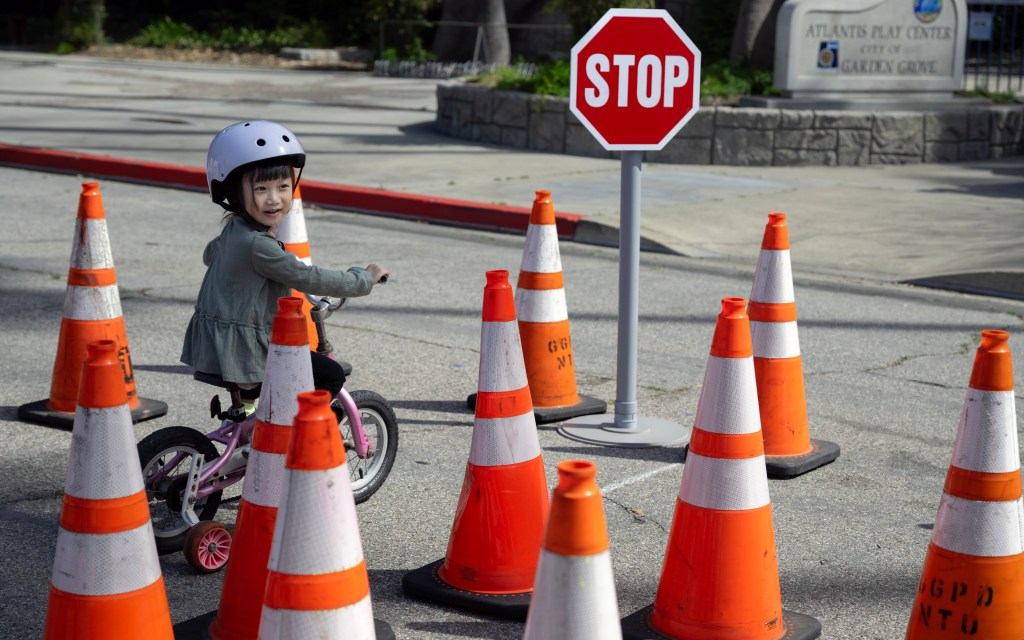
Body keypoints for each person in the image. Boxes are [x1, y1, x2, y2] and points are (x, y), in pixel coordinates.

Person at [181, 120, 388, 414]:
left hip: (217, 348)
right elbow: (308, 278)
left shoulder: (233, 229)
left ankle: (255, 425)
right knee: (331, 376)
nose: (274, 198)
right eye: (261, 188)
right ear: (235, 192)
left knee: (286, 387)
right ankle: (289, 437)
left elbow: (209, 255)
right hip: (247, 357)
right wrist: (363, 279)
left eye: (282, 186)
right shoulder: (258, 245)